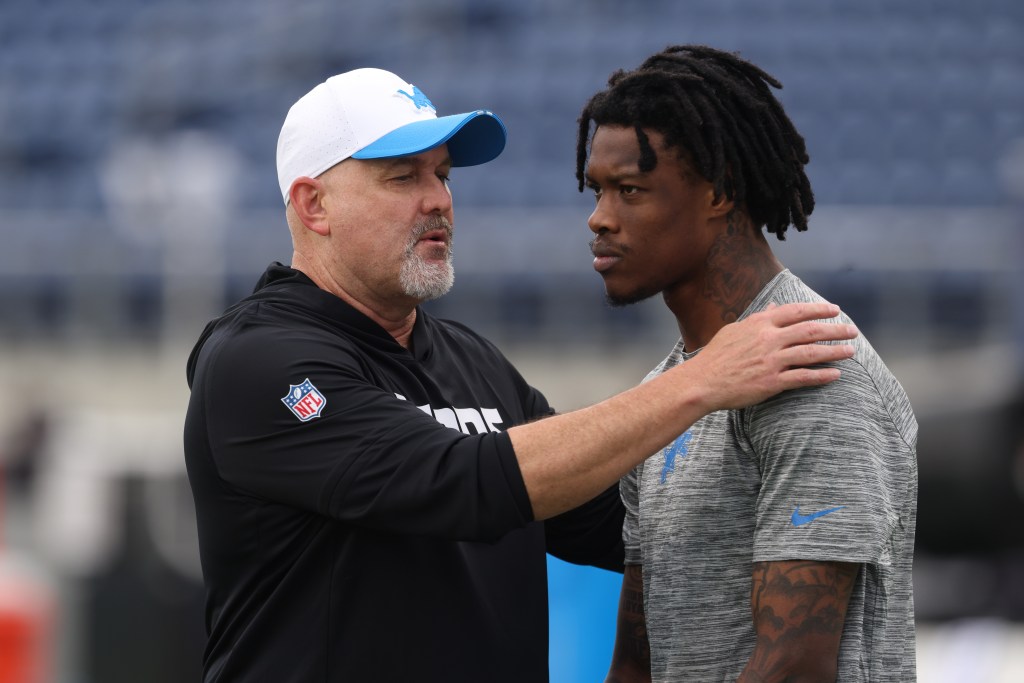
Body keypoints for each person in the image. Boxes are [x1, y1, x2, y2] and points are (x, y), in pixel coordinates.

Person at [182, 67, 857, 682]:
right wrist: (698, 381)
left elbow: (618, 520)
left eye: (442, 175)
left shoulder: (471, 361)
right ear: (314, 205)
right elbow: (457, 481)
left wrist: (808, 491)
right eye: (403, 177)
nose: (437, 200)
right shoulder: (258, 362)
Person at [575, 46, 918, 682]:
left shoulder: (817, 370)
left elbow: (795, 668)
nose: (599, 218)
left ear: (720, 193)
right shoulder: (668, 393)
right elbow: (636, 664)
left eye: (630, 191)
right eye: (597, 190)